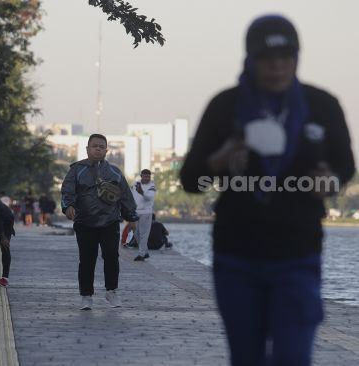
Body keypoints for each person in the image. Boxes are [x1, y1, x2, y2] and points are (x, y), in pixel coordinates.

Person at [180, 16, 355, 366]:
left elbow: (345, 167)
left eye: (286, 57)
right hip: (236, 257)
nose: (277, 66)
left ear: (297, 58)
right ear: (250, 59)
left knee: (293, 357)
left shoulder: (322, 105)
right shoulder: (225, 106)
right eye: (266, 58)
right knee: (247, 358)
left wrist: (330, 181)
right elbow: (190, 179)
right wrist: (219, 160)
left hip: (298, 255)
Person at [61, 134, 139, 310]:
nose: (97, 149)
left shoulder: (115, 172)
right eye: (94, 146)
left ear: (106, 150)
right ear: (87, 149)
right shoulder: (76, 170)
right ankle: (86, 296)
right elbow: (67, 191)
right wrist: (68, 207)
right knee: (87, 259)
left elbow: (126, 196)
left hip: (110, 222)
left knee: (111, 256)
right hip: (84, 222)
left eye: (101, 146)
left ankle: (111, 291)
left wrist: (132, 217)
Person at [131, 169, 156, 261]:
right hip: (135, 212)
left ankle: (141, 254)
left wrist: (142, 192)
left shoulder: (152, 186)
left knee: (143, 234)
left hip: (146, 212)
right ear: (141, 176)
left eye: (148, 176)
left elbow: (149, 197)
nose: (147, 178)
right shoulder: (135, 185)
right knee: (136, 233)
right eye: (145, 176)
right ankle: (145, 252)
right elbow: (129, 195)